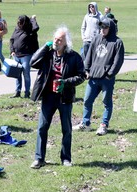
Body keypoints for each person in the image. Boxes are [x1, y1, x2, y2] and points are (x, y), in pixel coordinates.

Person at [29, 25, 85, 169]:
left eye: (60, 40)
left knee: (66, 129)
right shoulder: (48, 54)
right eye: (55, 39)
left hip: (64, 97)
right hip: (48, 96)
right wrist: (44, 47)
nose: (56, 42)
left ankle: (66, 158)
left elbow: (81, 76)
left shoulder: (74, 57)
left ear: (66, 42)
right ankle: (39, 158)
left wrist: (65, 83)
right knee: (42, 127)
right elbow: (33, 62)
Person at [73, 18, 125, 136]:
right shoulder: (96, 39)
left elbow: (118, 61)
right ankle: (85, 123)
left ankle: (104, 125)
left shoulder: (117, 42)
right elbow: (89, 55)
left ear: (110, 28)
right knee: (87, 100)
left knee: (106, 102)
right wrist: (86, 70)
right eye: (101, 27)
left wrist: (110, 74)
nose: (103, 29)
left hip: (107, 79)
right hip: (93, 77)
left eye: (105, 27)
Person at [10, 14, 39, 98]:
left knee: (26, 74)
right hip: (16, 55)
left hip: (26, 56)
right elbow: (12, 39)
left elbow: (36, 28)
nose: (19, 23)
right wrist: (12, 50)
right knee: (17, 75)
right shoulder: (17, 29)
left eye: (21, 22)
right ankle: (17, 92)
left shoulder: (30, 30)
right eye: (19, 22)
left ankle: (27, 92)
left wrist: (33, 19)